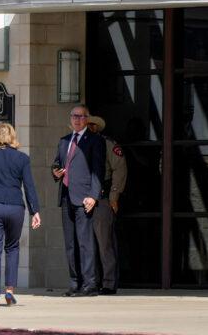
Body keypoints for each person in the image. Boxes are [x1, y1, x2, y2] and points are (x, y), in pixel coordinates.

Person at [0, 122, 41, 308]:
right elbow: (29, 186)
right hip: (15, 207)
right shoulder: (22, 158)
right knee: (12, 248)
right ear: (12, 136)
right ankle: (10, 291)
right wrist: (35, 211)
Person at [52, 105, 105, 297]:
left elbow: (98, 170)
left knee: (85, 242)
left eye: (81, 116)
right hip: (66, 196)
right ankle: (75, 282)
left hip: (84, 198)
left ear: (87, 119)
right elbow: (57, 164)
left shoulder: (95, 141)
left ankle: (89, 284)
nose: (77, 119)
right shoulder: (64, 141)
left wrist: (93, 195)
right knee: (70, 243)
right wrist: (55, 172)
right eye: (74, 116)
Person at [87, 115, 127, 295]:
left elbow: (120, 168)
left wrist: (114, 195)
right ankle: (91, 282)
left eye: (89, 125)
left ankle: (109, 283)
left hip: (102, 198)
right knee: (87, 244)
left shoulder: (107, 143)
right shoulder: (77, 143)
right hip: (82, 199)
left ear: (96, 127)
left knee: (105, 243)